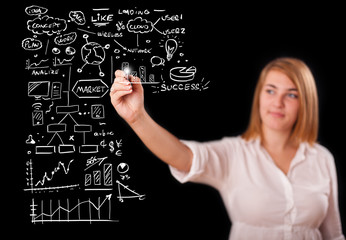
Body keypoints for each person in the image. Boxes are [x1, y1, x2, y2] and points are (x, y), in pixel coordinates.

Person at [110, 57, 344, 240]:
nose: (278, 103)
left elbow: (333, 235)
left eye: (291, 95)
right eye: (271, 90)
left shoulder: (321, 158)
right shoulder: (234, 153)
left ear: (306, 102)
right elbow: (184, 158)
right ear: (259, 96)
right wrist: (137, 118)